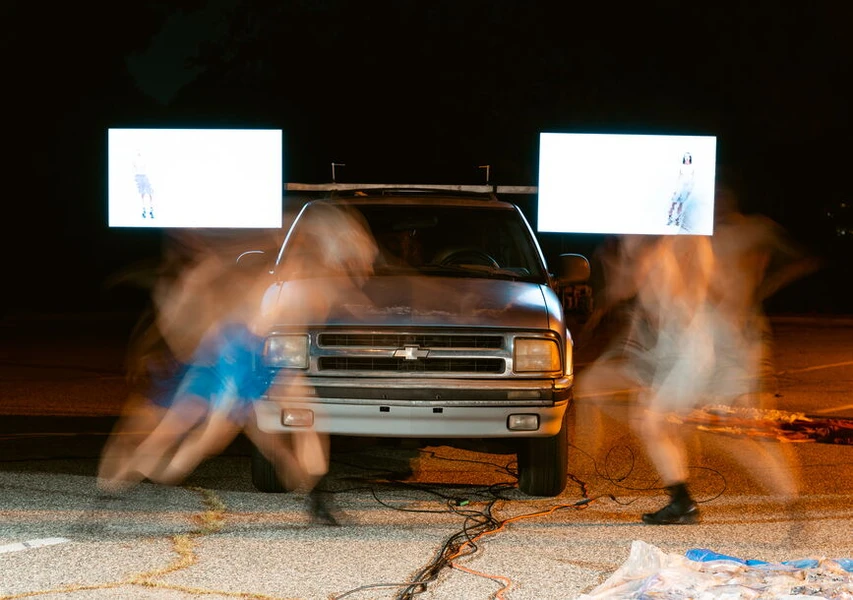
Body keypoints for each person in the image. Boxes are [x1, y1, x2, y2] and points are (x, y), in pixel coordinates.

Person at [133, 150, 155, 219]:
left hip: (142, 176)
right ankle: (146, 210)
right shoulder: (137, 159)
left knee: (147, 194)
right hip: (140, 176)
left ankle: (149, 209)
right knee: (145, 194)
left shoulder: (142, 159)